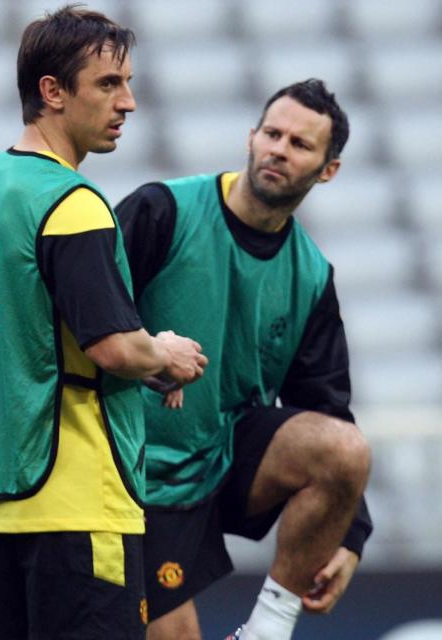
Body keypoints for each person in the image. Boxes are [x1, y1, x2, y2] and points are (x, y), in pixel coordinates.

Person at [0, 7, 208, 639]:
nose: (130, 102)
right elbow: (115, 347)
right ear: (52, 92)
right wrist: (163, 353)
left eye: (128, 83)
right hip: (78, 498)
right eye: (109, 84)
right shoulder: (73, 205)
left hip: (5, 502)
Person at [113, 79, 373, 640]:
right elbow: (83, 314)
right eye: (272, 133)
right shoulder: (163, 211)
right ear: (250, 137)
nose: (279, 149)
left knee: (343, 449)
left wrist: (350, 537)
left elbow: (326, 409)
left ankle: (267, 630)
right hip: (132, 467)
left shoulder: (310, 276)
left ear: (328, 170)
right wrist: (148, 352)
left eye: (300, 144)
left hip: (224, 456)